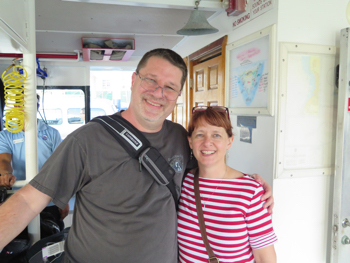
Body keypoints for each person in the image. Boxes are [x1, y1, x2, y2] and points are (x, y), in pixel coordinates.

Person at [0, 49, 273, 263]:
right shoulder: (87, 139)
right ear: (134, 80)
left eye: (169, 87)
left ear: (178, 95)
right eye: (151, 80)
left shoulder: (180, 137)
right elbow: (27, 201)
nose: (158, 93)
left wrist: (251, 184)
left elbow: (209, 169)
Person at [177, 106, 277, 263]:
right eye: (200, 135)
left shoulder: (251, 192)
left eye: (216, 135)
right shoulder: (183, 182)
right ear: (190, 141)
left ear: (229, 141)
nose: (207, 142)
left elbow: (266, 258)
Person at [0, 94, 69, 231]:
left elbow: (60, 167)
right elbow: (4, 160)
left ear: (37, 107)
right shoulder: (6, 135)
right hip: (18, 198)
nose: (22, 108)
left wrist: (63, 198)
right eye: (19, 104)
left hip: (47, 200)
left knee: (50, 238)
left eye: (27, 105)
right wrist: (6, 173)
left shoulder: (52, 134)